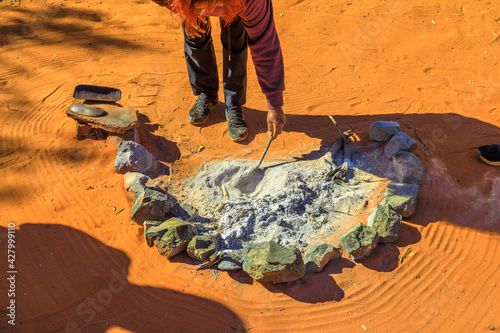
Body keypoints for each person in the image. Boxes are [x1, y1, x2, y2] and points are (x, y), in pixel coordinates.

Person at [151, 0, 286, 142]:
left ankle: (233, 103)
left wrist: (275, 104)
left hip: (236, 3)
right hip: (188, 2)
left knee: (234, 34)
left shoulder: (252, 2)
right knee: (195, 32)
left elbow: (264, 45)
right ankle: (207, 93)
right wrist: (184, 12)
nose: (213, 9)